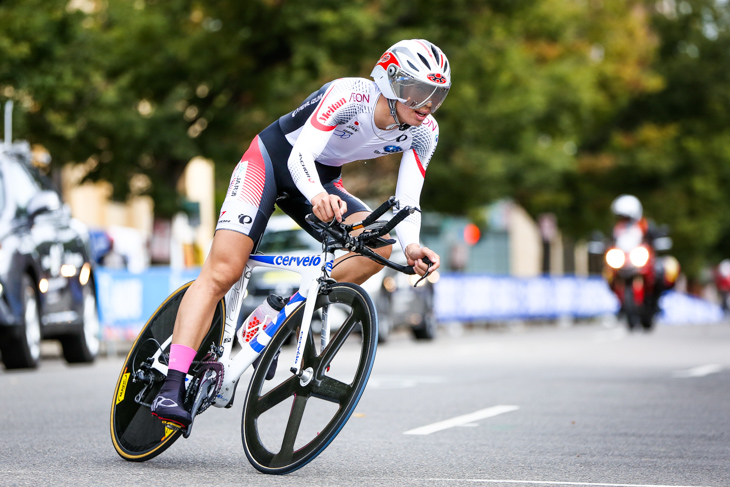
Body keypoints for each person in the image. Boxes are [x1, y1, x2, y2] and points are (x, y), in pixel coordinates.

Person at [150, 39, 450, 430]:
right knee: (223, 272)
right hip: (272, 162)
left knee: (381, 243)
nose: (427, 104)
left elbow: (407, 202)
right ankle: (170, 385)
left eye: (436, 95)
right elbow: (298, 156)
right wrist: (317, 196)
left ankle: (280, 315)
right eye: (418, 91)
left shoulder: (424, 132)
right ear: (390, 81)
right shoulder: (349, 95)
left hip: (322, 180)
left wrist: (412, 245)